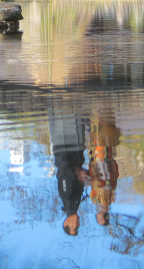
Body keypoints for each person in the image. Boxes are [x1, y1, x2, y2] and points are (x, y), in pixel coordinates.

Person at [48, 96, 90, 236]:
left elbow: (64, 174)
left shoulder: (67, 198)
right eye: (78, 227)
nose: (77, 224)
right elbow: (77, 177)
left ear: (66, 223)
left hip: (65, 143)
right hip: (76, 146)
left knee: (62, 106)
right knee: (76, 107)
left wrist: (77, 171)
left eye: (74, 227)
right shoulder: (75, 203)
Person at [88, 107, 120, 227]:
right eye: (99, 217)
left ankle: (104, 109)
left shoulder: (105, 197)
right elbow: (111, 174)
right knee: (101, 131)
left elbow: (115, 172)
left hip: (103, 156)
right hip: (101, 157)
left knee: (102, 129)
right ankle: (103, 108)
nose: (97, 215)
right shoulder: (102, 197)